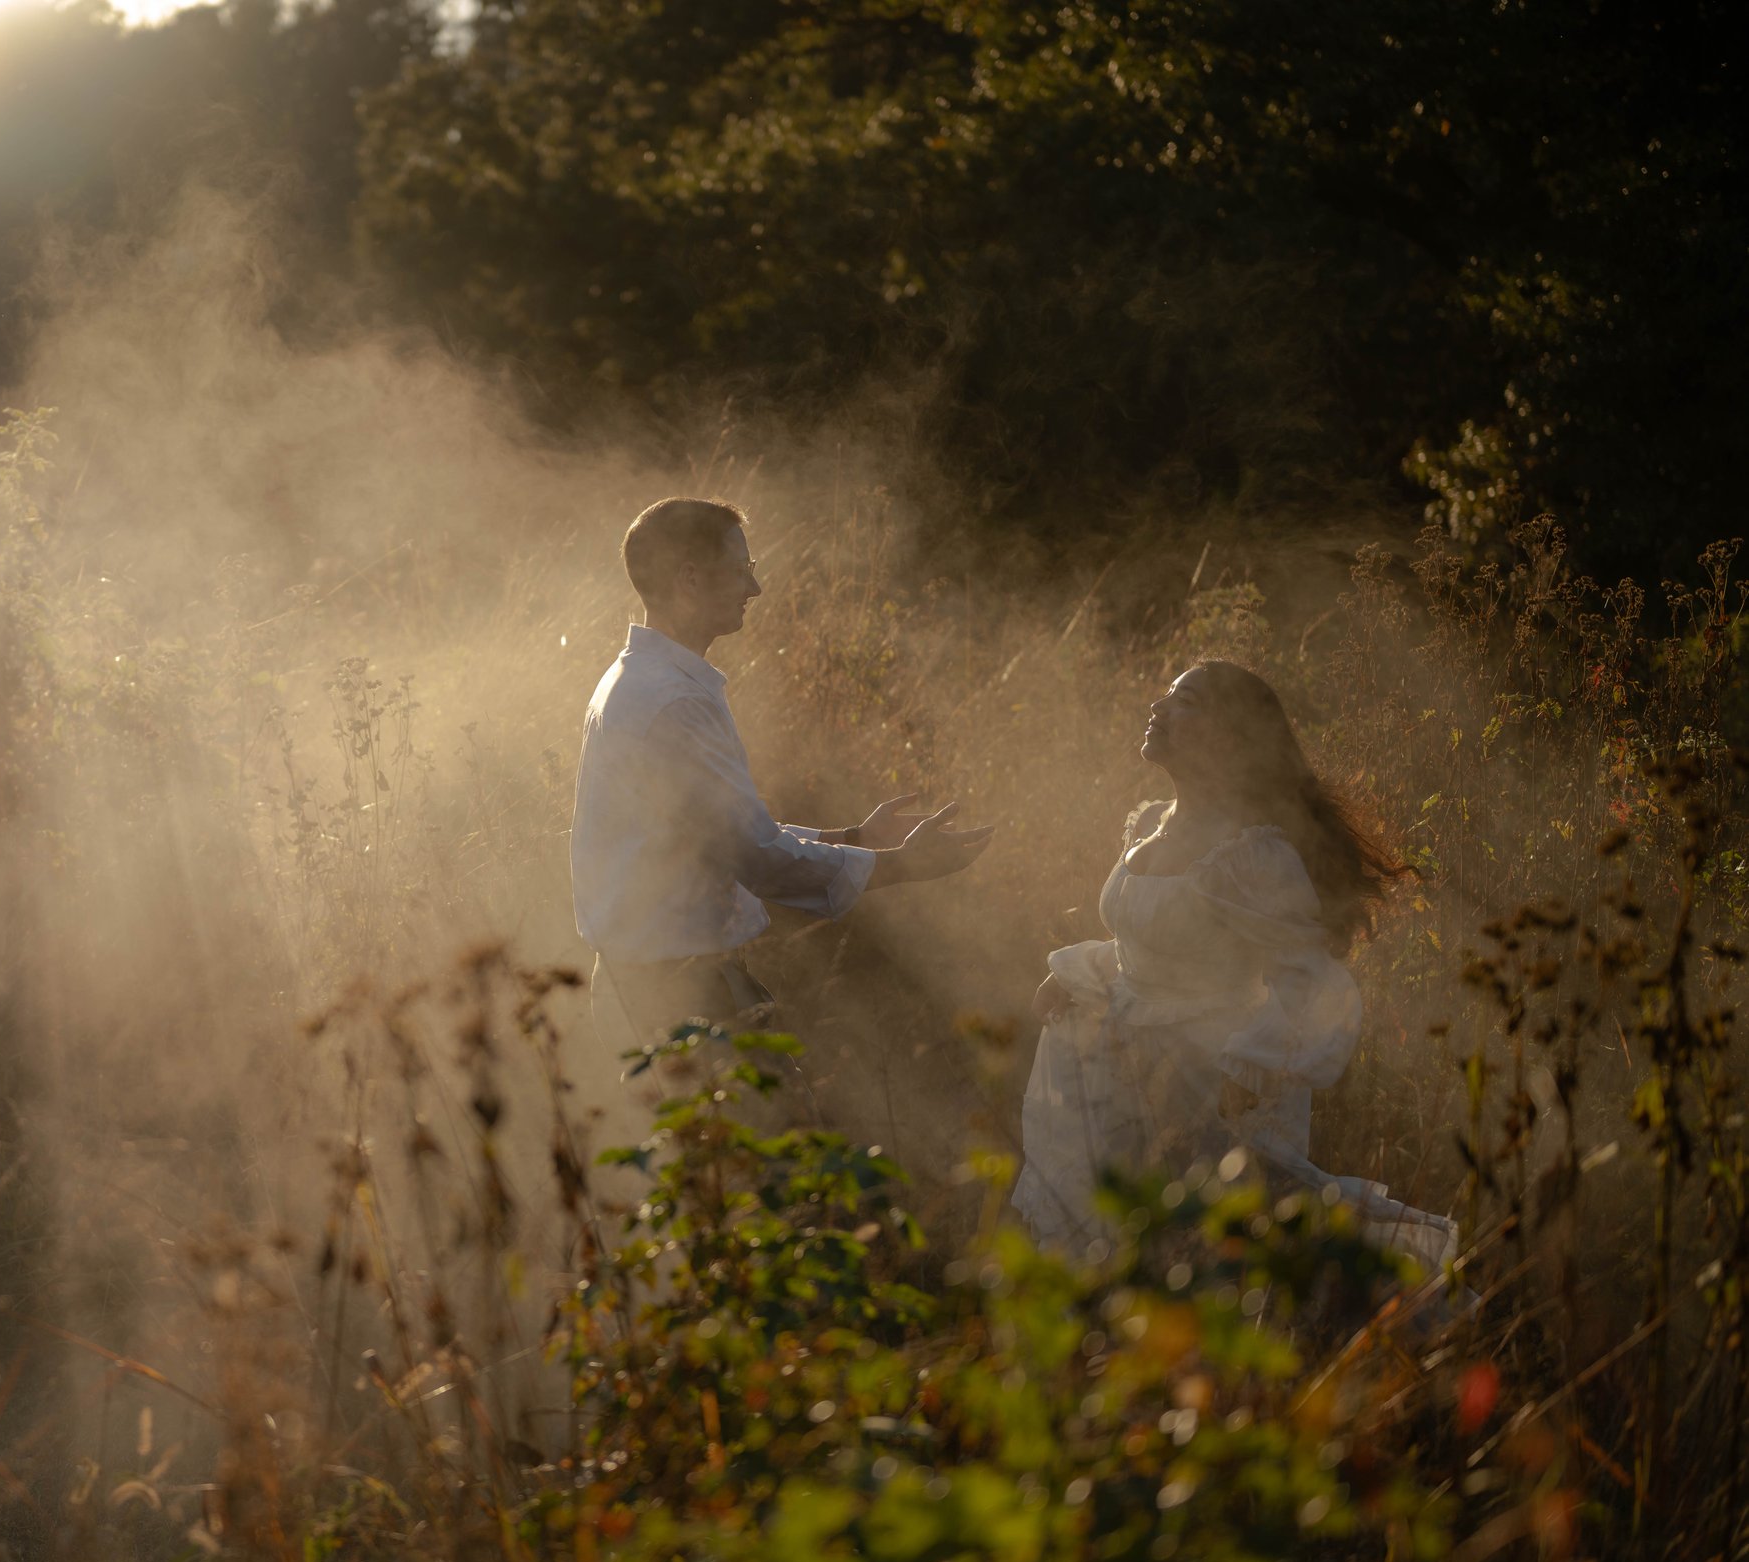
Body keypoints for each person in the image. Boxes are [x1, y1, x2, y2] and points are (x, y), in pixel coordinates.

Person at [1011, 660, 1457, 1270]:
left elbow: (1314, 982)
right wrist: (1076, 978)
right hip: (1123, 1071)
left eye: (1184, 701)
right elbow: (1152, 951)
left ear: (1231, 735)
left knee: (1217, 1253)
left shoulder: (1254, 854)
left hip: (1204, 1082)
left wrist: (1252, 1065)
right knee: (1122, 1249)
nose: (1159, 707)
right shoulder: (1147, 826)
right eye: (1164, 693)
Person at [570, 496, 993, 1047]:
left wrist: (854, 838)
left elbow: (721, 836)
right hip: (681, 991)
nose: (755, 589)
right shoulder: (674, 701)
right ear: (690, 578)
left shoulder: (638, 678)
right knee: (762, 1129)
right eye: (742, 570)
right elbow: (755, 857)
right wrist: (901, 866)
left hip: (654, 981)